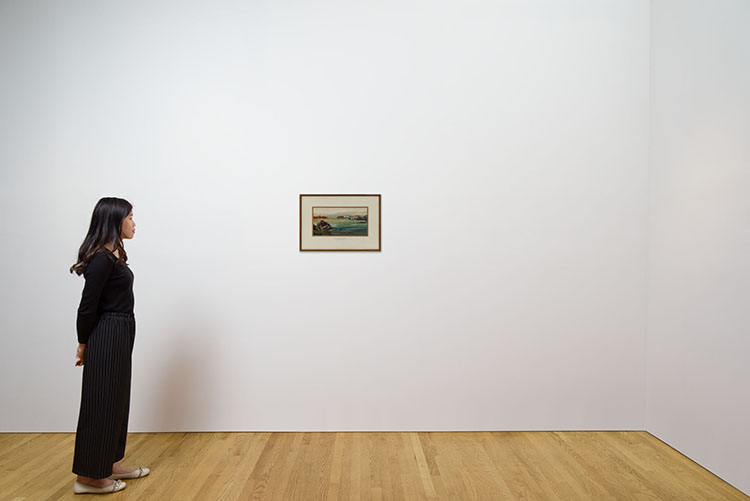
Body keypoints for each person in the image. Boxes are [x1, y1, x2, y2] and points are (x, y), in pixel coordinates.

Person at [69, 197, 149, 494]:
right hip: (107, 332)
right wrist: (82, 342)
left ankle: (110, 462)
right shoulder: (101, 259)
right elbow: (87, 305)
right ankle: (89, 477)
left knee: (116, 399)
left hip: (120, 329)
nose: (134, 222)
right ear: (115, 221)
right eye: (130, 217)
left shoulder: (114, 254)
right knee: (101, 401)